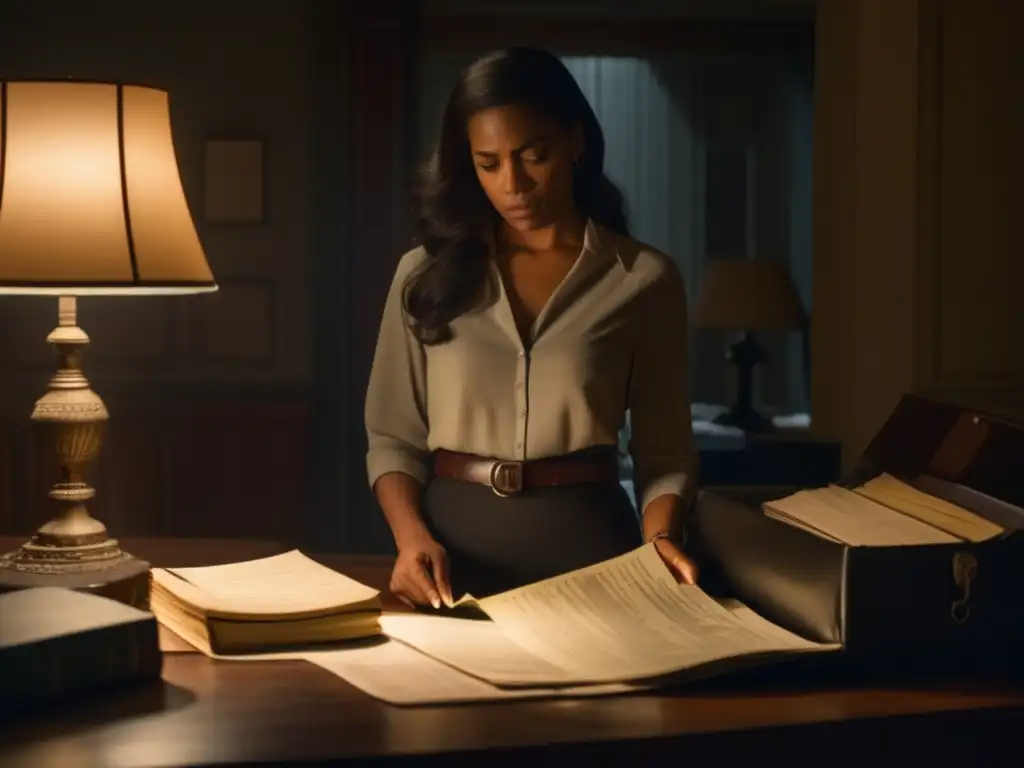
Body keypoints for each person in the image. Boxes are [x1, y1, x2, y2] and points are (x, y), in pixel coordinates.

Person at [364, 46, 699, 609]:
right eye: (488, 163)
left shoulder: (643, 280)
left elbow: (665, 453)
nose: (513, 184)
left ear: (576, 141)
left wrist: (660, 539)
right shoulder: (421, 276)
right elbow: (392, 440)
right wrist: (410, 539)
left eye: (533, 155)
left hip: (594, 550)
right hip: (449, 561)